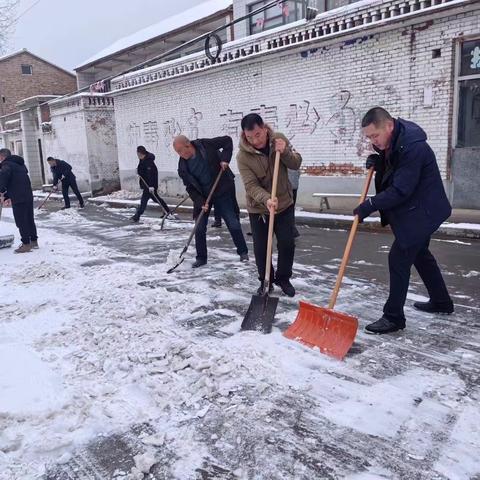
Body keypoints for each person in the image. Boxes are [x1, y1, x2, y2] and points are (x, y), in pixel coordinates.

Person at [354, 107, 453, 334]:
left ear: (389, 125)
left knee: (398, 259)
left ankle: (394, 317)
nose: (373, 141)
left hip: (422, 211)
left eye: (375, 136)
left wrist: (369, 205)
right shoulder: (395, 141)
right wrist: (378, 162)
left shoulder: (413, 147)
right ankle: (441, 302)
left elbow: (401, 189)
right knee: (421, 256)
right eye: (369, 138)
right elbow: (393, 168)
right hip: (417, 209)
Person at [237, 113, 302, 297]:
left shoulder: (278, 140)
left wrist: (286, 151)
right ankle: (266, 280)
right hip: (259, 207)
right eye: (249, 137)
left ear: (264, 128)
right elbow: (250, 186)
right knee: (262, 247)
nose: (254, 140)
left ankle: (283, 278)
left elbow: (296, 164)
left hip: (284, 203)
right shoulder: (243, 156)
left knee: (287, 243)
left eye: (258, 134)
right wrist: (266, 198)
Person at [173, 134, 248, 268]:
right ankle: (201, 258)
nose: (180, 154)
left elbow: (227, 141)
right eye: (177, 152)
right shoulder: (182, 167)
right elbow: (190, 188)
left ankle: (243, 253)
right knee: (199, 227)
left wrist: (225, 159)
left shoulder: (205, 145)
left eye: (180, 151)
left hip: (221, 188)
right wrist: (200, 201)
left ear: (188, 145)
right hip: (203, 196)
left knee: (232, 222)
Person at [0, 148, 38, 253]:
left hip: (19, 198)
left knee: (21, 221)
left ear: (2, 156)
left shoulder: (6, 165)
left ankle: (26, 244)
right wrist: (7, 195)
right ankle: (34, 241)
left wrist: (1, 190)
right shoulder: (20, 165)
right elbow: (16, 182)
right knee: (29, 219)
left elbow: (3, 178)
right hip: (27, 195)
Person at [130, 146, 171, 222]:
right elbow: (143, 170)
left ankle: (137, 216)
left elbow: (151, 175)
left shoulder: (148, 162)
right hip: (147, 185)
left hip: (149, 186)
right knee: (156, 199)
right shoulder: (143, 160)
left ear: (141, 153)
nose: (137, 155)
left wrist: (152, 186)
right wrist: (138, 171)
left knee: (144, 201)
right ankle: (167, 212)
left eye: (138, 153)